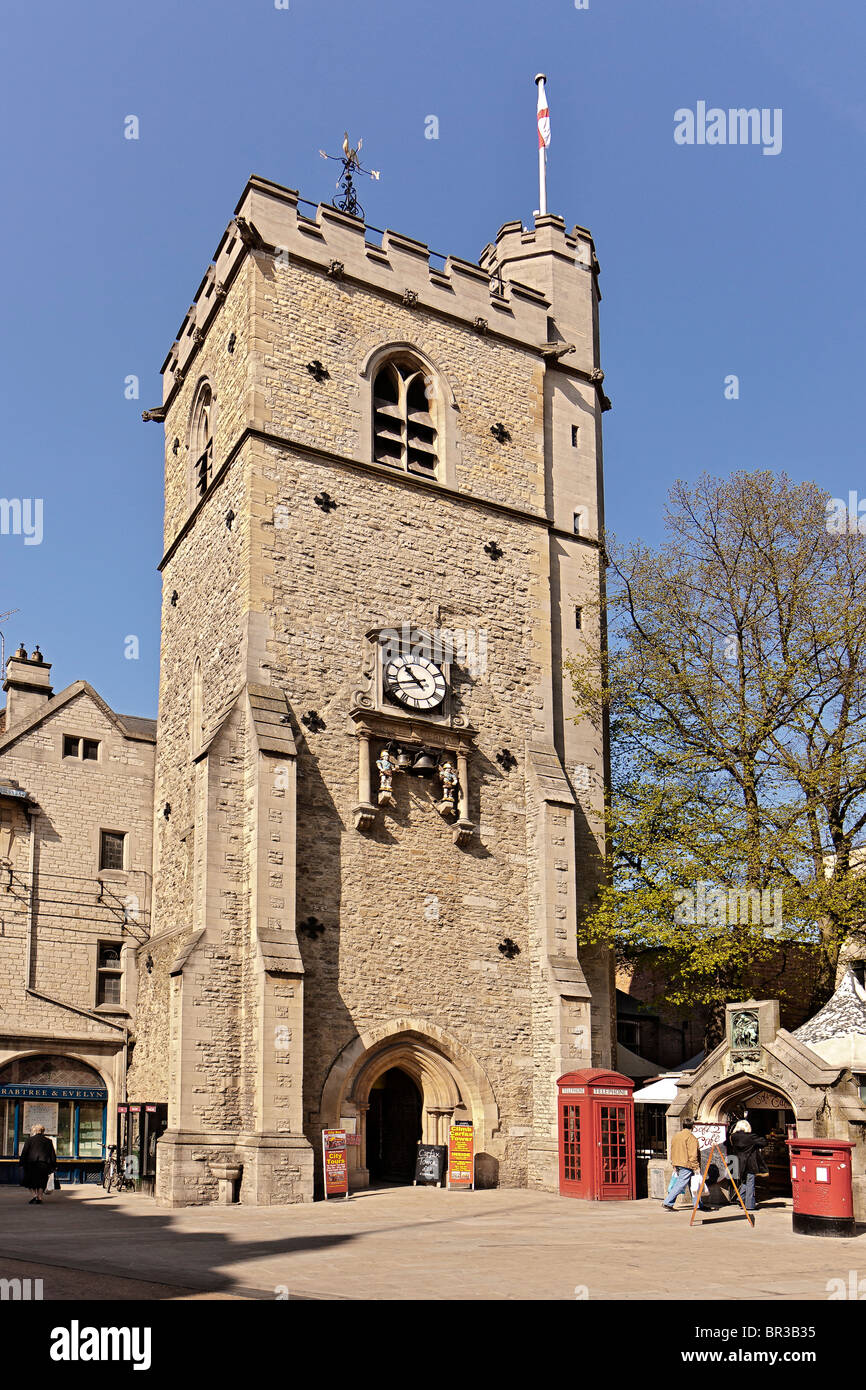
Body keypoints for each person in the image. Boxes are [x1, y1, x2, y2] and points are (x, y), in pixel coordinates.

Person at [662, 1118, 708, 1211]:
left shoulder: (676, 1136)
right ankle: (668, 1202)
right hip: (687, 1164)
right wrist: (696, 1166)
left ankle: (698, 1204)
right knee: (680, 1184)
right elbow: (693, 1154)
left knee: (694, 1185)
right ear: (692, 1126)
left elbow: (673, 1150)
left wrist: (673, 1163)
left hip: (678, 1163)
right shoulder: (691, 1137)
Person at [729, 1119, 767, 1213]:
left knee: (745, 1181)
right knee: (750, 1183)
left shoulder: (733, 1137)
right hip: (750, 1163)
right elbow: (763, 1142)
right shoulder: (751, 1137)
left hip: (738, 1162)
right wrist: (754, 1145)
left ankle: (740, 1199)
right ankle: (749, 1204)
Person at [19, 1124, 57, 1205]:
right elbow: (52, 1154)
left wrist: (21, 1163)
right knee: (41, 1182)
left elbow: (24, 1153)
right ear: (43, 1131)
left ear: (35, 1131)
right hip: (43, 1164)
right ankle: (39, 1197)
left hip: (31, 1164)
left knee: (30, 1181)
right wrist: (54, 1165)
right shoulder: (48, 1141)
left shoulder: (29, 1140)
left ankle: (34, 1196)